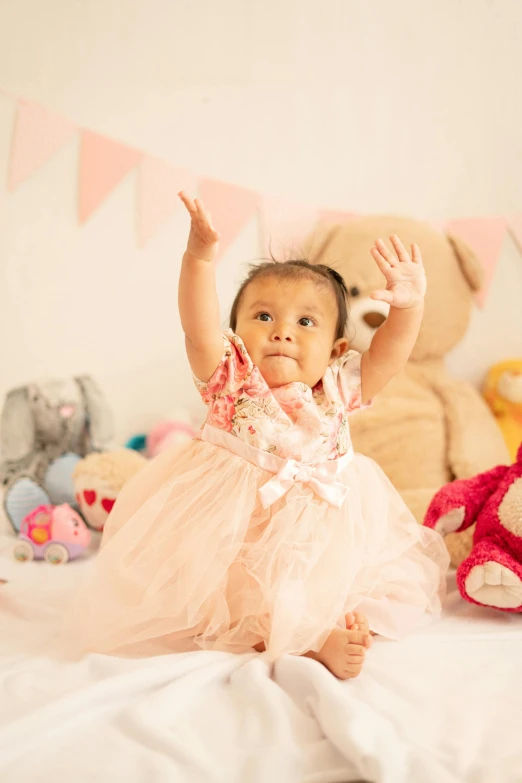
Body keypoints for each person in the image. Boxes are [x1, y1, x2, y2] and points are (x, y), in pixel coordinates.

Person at [67, 192, 449, 680]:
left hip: (323, 528)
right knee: (235, 595)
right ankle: (308, 639)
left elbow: (388, 358)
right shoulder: (231, 378)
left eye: (305, 321)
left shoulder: (338, 383)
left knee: (338, 579)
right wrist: (199, 259)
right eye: (263, 316)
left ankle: (323, 619)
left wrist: (409, 308)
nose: (282, 331)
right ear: (235, 335)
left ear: (336, 348)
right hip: (232, 530)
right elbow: (197, 330)